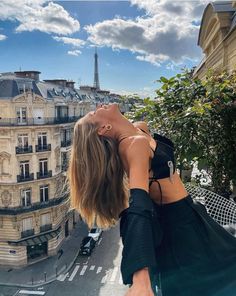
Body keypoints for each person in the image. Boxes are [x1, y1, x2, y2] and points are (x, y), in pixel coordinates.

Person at [68, 103, 236, 296]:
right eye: (94, 113)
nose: (98, 106)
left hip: (193, 215)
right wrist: (140, 277)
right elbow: (139, 204)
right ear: (104, 128)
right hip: (182, 230)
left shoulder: (139, 131)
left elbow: (140, 126)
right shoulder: (133, 145)